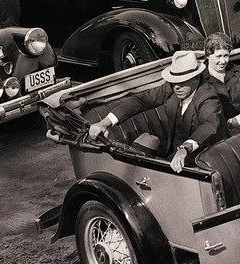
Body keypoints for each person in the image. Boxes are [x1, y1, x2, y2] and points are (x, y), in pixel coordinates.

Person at [88, 50, 225, 173]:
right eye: (173, 81)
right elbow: (141, 100)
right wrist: (104, 123)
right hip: (173, 153)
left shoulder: (208, 97)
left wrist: (185, 148)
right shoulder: (172, 87)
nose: (176, 87)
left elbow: (208, 125)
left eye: (182, 81)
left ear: (196, 78)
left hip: (205, 159)